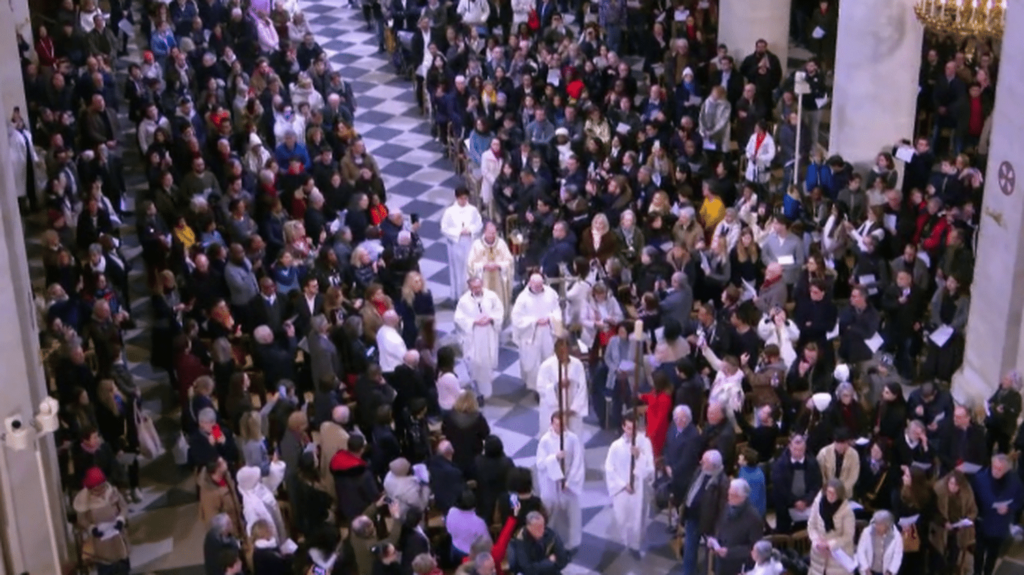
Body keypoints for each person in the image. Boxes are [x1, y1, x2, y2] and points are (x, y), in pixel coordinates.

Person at [604, 412, 655, 558]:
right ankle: (623, 542)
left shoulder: (645, 443)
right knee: (621, 518)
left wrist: (639, 456)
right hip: (622, 489)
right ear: (623, 427)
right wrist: (622, 484)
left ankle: (635, 546)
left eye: (633, 428)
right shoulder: (616, 446)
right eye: (627, 428)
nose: (630, 431)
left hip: (638, 490)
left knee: (637, 519)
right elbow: (609, 467)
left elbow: (650, 470)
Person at [536, 411, 584, 551]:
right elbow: (540, 463)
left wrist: (569, 481)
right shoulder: (545, 440)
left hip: (568, 482)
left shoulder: (573, 439)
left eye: (562, 424)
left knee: (572, 515)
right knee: (552, 515)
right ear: (552, 424)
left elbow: (578, 461)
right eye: (557, 424)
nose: (560, 427)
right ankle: (551, 541)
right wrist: (555, 458)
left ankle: (573, 542)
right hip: (552, 483)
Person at [972, 454, 1024, 575]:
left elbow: (1020, 500)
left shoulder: (1015, 482)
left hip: (999, 526)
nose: (995, 471)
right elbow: (973, 499)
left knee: (992, 555)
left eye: (999, 469)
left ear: (1006, 470)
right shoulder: (980, 478)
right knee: (978, 553)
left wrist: (1009, 508)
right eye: (994, 467)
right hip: (982, 523)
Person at [453, 276, 504, 399]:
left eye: (478, 286)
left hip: (488, 334)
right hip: (473, 337)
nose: (477, 289)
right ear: (469, 288)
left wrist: (491, 318)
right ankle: (477, 391)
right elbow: (458, 318)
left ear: (482, 285)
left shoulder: (491, 296)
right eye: (474, 287)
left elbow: (499, 310)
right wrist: (474, 321)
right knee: (474, 364)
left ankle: (486, 389)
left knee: (487, 364)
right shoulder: (464, 301)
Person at [74, 467, 131, 575]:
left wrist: (120, 519)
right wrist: (92, 529)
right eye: (97, 489)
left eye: (102, 488)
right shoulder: (85, 500)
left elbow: (123, 507)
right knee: (106, 568)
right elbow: (82, 519)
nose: (101, 492)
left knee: (123, 567)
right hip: (101, 542)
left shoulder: (112, 492)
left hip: (117, 536)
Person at [511, 274, 561, 393]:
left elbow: (557, 310)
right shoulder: (522, 298)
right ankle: (535, 388)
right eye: (536, 286)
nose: (539, 288)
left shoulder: (550, 293)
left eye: (540, 285)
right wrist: (534, 321)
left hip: (547, 333)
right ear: (529, 284)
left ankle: (547, 384)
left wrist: (550, 319)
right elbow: (517, 318)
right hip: (531, 335)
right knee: (532, 363)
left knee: (548, 358)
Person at [536, 337, 588, 438]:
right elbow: (541, 388)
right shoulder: (546, 366)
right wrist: (556, 387)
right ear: (555, 351)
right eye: (560, 350)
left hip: (572, 411)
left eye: (566, 349)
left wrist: (573, 408)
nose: (563, 353)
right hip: (553, 410)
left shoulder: (577, 365)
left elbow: (582, 388)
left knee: (573, 438)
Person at [710, 478, 763, 575]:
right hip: (721, 562)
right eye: (729, 494)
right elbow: (720, 526)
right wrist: (715, 541)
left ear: (742, 497)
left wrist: (730, 552)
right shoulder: (728, 507)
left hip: (739, 566)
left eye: (732, 495)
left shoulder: (753, 518)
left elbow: (754, 548)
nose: (728, 498)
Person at [440, 187, 483, 302]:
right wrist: (458, 232)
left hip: (469, 242)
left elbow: (479, 224)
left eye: (465, 198)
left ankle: (473, 292)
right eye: (461, 199)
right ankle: (459, 295)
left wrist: (470, 230)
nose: (463, 201)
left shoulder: (473, 210)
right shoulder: (450, 212)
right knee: (458, 271)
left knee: (470, 269)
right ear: (456, 198)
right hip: (457, 244)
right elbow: (444, 228)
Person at [932, 470, 977, 575]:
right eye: (951, 484)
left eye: (956, 485)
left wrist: (966, 520)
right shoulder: (939, 490)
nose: (953, 487)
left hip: (958, 529)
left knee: (953, 555)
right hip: (941, 529)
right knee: (938, 558)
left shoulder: (967, 492)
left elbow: (973, 510)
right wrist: (944, 522)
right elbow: (933, 511)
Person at [807, 479, 856, 575]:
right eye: (829, 492)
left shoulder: (846, 510)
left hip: (838, 555)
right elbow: (811, 525)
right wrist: (816, 541)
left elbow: (848, 535)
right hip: (818, 553)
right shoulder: (818, 502)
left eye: (834, 493)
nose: (831, 496)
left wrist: (830, 544)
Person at [467, 221, 514, 319]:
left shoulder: (501, 244)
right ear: (484, 232)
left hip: (498, 279)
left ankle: (500, 318)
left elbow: (509, 262)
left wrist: (499, 265)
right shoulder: (477, 245)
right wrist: (483, 266)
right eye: (490, 233)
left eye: (494, 233)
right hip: (484, 278)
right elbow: (470, 265)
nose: (492, 235)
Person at [855, 510, 904, 575]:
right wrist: (866, 569)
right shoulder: (867, 532)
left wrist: (890, 572)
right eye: (876, 523)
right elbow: (860, 551)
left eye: (880, 524)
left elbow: (897, 556)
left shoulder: (896, 536)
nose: (877, 526)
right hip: (869, 571)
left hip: (885, 572)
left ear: (887, 525)